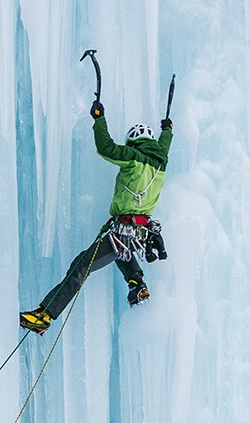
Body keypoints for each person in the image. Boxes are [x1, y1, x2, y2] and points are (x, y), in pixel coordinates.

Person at [20, 92, 173, 333]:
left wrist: (98, 119)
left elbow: (107, 148)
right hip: (140, 234)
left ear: (133, 143)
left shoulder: (133, 158)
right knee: (121, 252)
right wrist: (168, 130)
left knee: (81, 265)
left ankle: (45, 315)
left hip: (123, 229)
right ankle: (137, 283)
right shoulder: (161, 163)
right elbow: (165, 145)